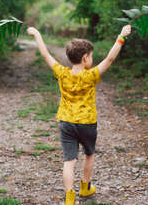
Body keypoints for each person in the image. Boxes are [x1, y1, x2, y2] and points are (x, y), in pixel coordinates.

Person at [27, 25, 131, 205]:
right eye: (90, 55)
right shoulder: (90, 75)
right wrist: (121, 36)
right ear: (85, 58)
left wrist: (37, 34)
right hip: (87, 123)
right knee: (89, 154)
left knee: (69, 160)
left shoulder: (62, 73)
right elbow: (110, 58)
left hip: (66, 122)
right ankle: (85, 187)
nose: (92, 58)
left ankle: (69, 197)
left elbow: (46, 55)